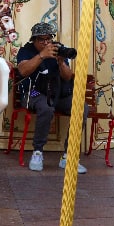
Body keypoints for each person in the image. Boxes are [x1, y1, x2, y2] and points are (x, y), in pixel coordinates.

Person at [15, 23, 89, 173]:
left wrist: (61, 62)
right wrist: (41, 55)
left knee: (81, 107)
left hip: (56, 92)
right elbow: (23, 71)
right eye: (42, 40)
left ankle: (69, 156)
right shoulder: (26, 51)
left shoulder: (56, 49)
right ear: (34, 40)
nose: (46, 43)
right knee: (46, 107)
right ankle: (37, 152)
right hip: (33, 92)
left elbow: (68, 76)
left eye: (48, 39)